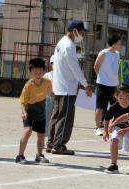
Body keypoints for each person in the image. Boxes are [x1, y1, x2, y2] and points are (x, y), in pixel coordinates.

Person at [46, 20, 93, 155]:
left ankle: (51, 143)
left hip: (59, 86)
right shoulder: (69, 46)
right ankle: (59, 145)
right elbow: (75, 68)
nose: (82, 36)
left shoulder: (60, 43)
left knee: (56, 116)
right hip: (67, 88)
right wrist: (86, 84)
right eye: (82, 33)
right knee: (65, 118)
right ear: (75, 31)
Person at [15, 58, 52, 164]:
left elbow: (52, 93)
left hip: (41, 111)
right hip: (29, 111)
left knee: (41, 135)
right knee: (28, 131)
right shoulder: (28, 86)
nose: (38, 74)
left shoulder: (47, 82)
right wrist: (24, 112)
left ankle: (39, 155)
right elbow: (22, 101)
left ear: (44, 71)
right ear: (30, 72)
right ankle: (20, 156)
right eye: (35, 72)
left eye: (40, 72)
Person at [103, 84, 129, 173]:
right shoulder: (114, 107)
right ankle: (113, 164)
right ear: (116, 97)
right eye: (121, 98)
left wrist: (126, 130)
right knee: (114, 140)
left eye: (127, 97)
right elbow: (106, 119)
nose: (124, 100)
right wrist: (105, 131)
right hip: (118, 127)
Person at [94, 35, 121, 136]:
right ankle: (97, 127)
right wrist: (101, 77)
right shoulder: (104, 53)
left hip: (114, 85)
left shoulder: (117, 54)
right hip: (103, 84)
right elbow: (96, 66)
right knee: (100, 107)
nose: (120, 45)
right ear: (113, 44)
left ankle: (114, 125)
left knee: (116, 105)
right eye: (118, 43)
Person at [43, 55, 54, 136]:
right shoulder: (47, 75)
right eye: (53, 63)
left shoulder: (62, 75)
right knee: (47, 118)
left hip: (58, 99)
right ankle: (44, 138)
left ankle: (53, 139)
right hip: (48, 99)